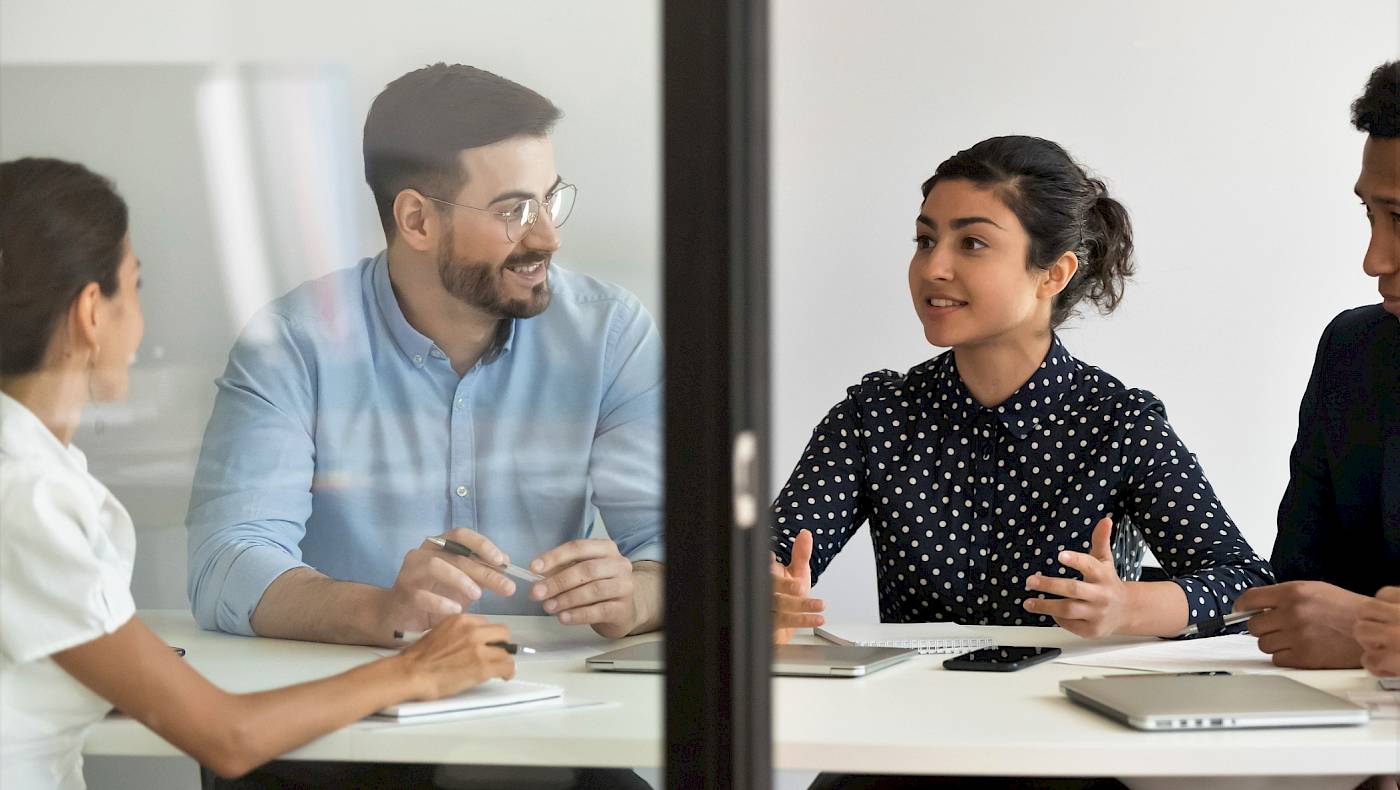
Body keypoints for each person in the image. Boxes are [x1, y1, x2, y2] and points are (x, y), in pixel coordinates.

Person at [0, 157, 517, 790]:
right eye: (134, 287)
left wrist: (133, 669)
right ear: (90, 312)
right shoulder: (27, 495)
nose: (141, 320)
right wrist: (417, 671)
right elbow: (230, 738)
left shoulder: (32, 476)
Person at [186, 63, 664, 651]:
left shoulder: (609, 334)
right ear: (416, 220)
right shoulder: (292, 344)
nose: (548, 237)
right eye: (514, 211)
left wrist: (635, 594)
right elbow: (226, 564)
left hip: (556, 699)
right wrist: (381, 609)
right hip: (347, 701)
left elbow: (672, 543)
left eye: (549, 199)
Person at [770, 135, 1275, 652]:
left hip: (1072, 714)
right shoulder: (875, 417)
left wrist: (1128, 606)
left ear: (1053, 273)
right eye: (925, 240)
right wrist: (759, 592)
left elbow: (1250, 586)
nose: (932, 267)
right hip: (915, 711)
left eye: (971, 243)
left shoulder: (1120, 423)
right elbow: (764, 564)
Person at [1235, 60, 1400, 672]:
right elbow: (1300, 597)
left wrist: (1367, 634)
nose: (1374, 259)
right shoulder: (1354, 350)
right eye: (1370, 216)